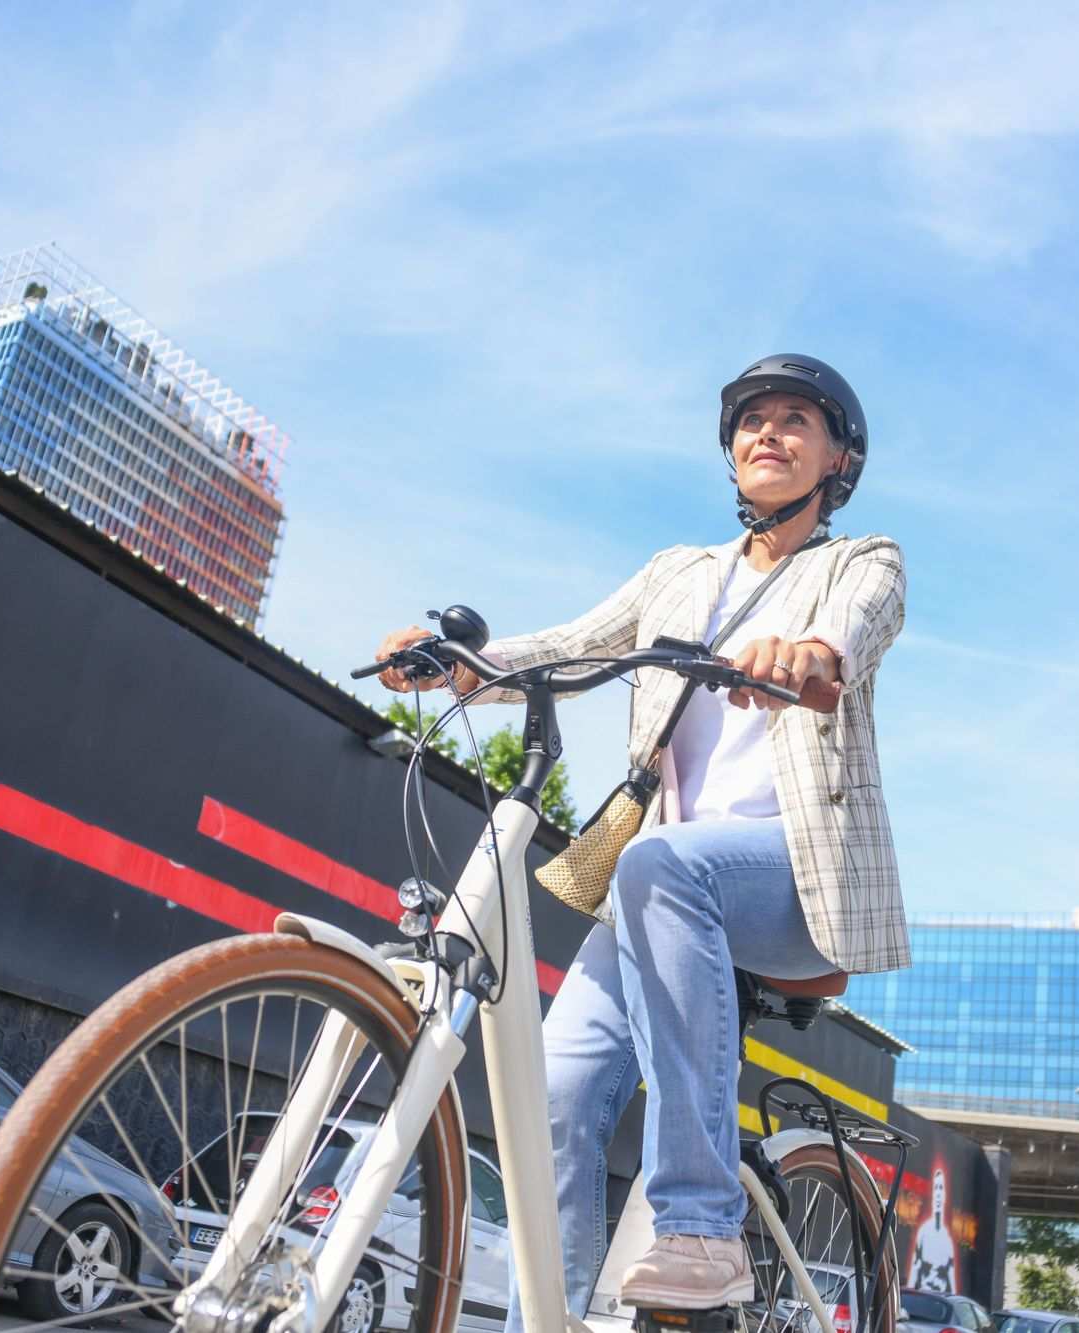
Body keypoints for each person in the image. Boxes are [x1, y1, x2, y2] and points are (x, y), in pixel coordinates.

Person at [375, 353, 909, 1322]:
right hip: (660, 888)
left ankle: (699, 1226)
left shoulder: (856, 561)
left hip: (789, 876)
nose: (767, 433)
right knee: (554, 1099)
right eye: (751, 420)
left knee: (663, 866)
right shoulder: (680, 575)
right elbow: (570, 644)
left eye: (796, 419)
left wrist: (812, 654)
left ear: (837, 459)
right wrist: (457, 664)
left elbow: (854, 629)